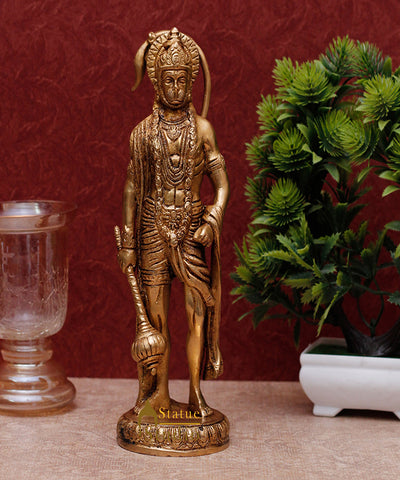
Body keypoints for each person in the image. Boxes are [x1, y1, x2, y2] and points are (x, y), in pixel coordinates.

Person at [117, 28, 229, 418]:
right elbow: (132, 187)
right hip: (152, 229)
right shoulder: (143, 133)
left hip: (193, 228)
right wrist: (128, 242)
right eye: (169, 81)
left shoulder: (203, 129)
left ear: (191, 81)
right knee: (156, 318)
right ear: (157, 82)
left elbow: (222, 184)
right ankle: (158, 394)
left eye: (182, 81)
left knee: (197, 313)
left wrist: (213, 217)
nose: (176, 89)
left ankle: (196, 392)